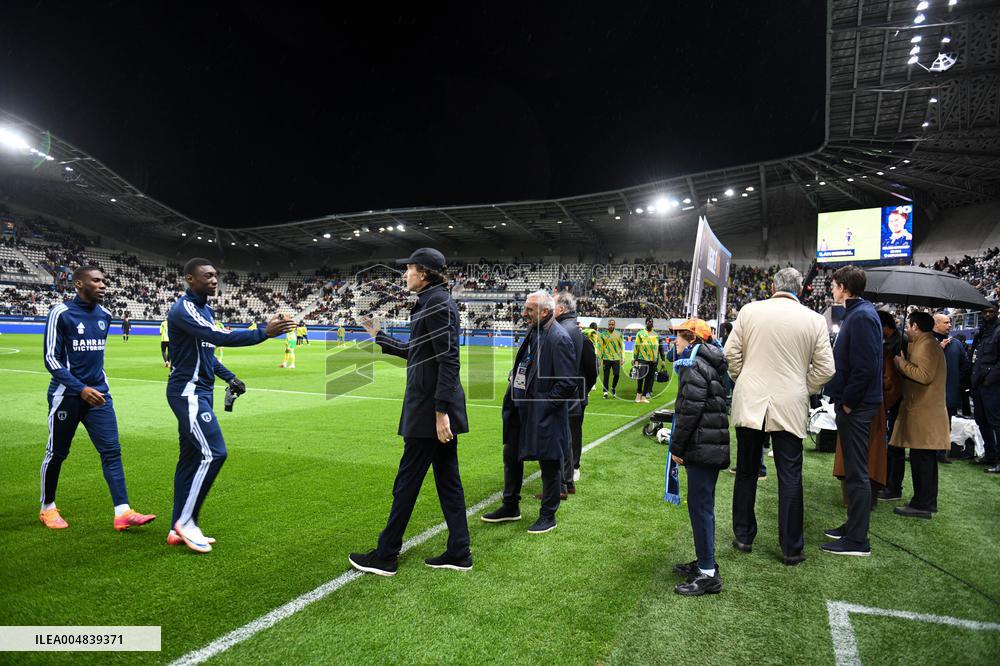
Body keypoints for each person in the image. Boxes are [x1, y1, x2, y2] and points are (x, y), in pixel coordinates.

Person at [350, 248, 472, 575]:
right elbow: (417, 353)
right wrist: (379, 335)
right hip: (430, 410)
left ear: (424, 272)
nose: (405, 274)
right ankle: (459, 551)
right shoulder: (431, 302)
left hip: (428, 414)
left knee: (407, 483)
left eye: (409, 269)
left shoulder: (437, 304)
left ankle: (386, 555)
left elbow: (449, 359)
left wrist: (441, 412)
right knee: (448, 483)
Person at [165, 258, 295, 553]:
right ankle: (186, 521)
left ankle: (177, 527)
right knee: (214, 453)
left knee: (189, 459)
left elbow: (207, 353)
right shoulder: (184, 309)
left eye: (216, 275)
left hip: (201, 392)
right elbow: (216, 336)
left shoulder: (205, 309)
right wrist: (263, 333)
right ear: (189, 279)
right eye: (207, 276)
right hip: (187, 393)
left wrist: (229, 377)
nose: (214, 280)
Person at [724, 267, 835, 565]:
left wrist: (743, 378)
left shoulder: (749, 311)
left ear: (773, 285)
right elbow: (826, 369)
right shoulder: (813, 320)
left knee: (747, 470)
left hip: (751, 401)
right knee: (790, 476)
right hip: (789, 403)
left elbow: (730, 353)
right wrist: (802, 387)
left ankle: (743, 536)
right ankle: (791, 548)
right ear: (799, 289)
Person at [39, 265, 156, 531]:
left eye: (104, 281)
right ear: (79, 284)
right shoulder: (61, 313)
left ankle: (122, 511)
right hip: (66, 395)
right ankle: (47, 507)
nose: (103, 285)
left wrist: (96, 388)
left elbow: (95, 358)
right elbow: (50, 359)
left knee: (112, 452)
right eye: (96, 280)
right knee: (56, 452)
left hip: (99, 395)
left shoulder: (106, 314)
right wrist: (80, 388)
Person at [482, 290, 577, 534]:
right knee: (511, 454)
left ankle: (548, 515)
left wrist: (543, 405)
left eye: (529, 310)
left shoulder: (559, 338)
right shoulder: (534, 331)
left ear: (545, 312)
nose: (524, 313)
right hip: (520, 408)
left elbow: (567, 383)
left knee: (549, 462)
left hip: (543, 413)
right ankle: (510, 505)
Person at [822, 265, 883, 557]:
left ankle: (858, 540)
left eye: (834, 285)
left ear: (844, 287)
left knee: (857, 473)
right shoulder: (859, 313)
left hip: (857, 405)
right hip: (855, 403)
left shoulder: (862, 316)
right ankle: (853, 526)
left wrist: (847, 401)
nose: (832, 290)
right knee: (853, 470)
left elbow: (865, 366)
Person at [668, 318, 730, 596]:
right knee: (702, 506)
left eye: (679, 337)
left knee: (701, 507)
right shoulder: (707, 363)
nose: (675, 342)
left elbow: (689, 412)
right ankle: (705, 562)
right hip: (709, 445)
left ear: (692, 340)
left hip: (702, 447)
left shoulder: (694, 366)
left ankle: (707, 572)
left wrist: (677, 449)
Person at [889, 311, 949, 518]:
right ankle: (924, 501)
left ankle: (922, 504)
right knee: (923, 459)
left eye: (909, 326)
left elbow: (924, 376)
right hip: (923, 411)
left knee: (922, 459)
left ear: (915, 326)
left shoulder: (927, 345)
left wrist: (901, 364)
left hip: (925, 412)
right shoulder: (927, 343)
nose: (906, 329)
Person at [551, 291, 596, 494]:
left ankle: (565, 478)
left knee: (567, 435)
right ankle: (568, 478)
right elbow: (591, 368)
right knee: (571, 434)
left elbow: (590, 367)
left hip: (569, 394)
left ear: (560, 309)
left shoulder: (562, 330)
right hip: (577, 394)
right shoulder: (578, 332)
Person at [876, 311, 906, 502]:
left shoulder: (899, 342)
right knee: (891, 445)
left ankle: (894, 486)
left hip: (897, 399)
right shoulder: (892, 341)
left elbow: (897, 373)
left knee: (895, 445)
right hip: (893, 397)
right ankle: (888, 483)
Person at [933, 312, 970, 462]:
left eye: (949, 322)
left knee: (946, 422)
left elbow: (965, 365)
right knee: (928, 422)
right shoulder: (927, 341)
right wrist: (937, 349)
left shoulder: (956, 343)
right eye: (946, 322)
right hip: (930, 391)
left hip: (949, 391)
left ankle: (941, 452)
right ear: (935, 324)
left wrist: (954, 380)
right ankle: (925, 451)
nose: (949, 325)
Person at [970, 305, 1000, 473]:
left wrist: (989, 379)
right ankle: (990, 455)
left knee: (996, 422)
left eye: (991, 312)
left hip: (992, 386)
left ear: (996, 313)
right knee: (981, 420)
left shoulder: (998, 331)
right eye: (985, 312)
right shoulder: (981, 333)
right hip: (978, 384)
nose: (988, 315)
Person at [633, 317, 665, 403]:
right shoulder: (640, 333)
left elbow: (657, 347)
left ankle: (643, 397)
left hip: (652, 360)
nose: (651, 323)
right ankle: (638, 395)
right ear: (646, 323)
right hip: (642, 359)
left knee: (649, 378)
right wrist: (635, 359)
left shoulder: (656, 335)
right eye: (649, 322)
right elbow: (636, 347)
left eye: (652, 322)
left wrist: (659, 359)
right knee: (641, 377)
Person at [598, 319, 623, 398]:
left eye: (612, 324)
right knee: (606, 375)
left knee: (617, 374)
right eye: (610, 324)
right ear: (608, 325)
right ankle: (605, 392)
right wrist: (599, 358)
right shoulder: (603, 334)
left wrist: (623, 357)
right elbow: (600, 347)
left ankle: (613, 388)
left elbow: (622, 346)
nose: (611, 326)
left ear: (614, 325)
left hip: (616, 358)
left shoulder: (619, 334)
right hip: (606, 357)